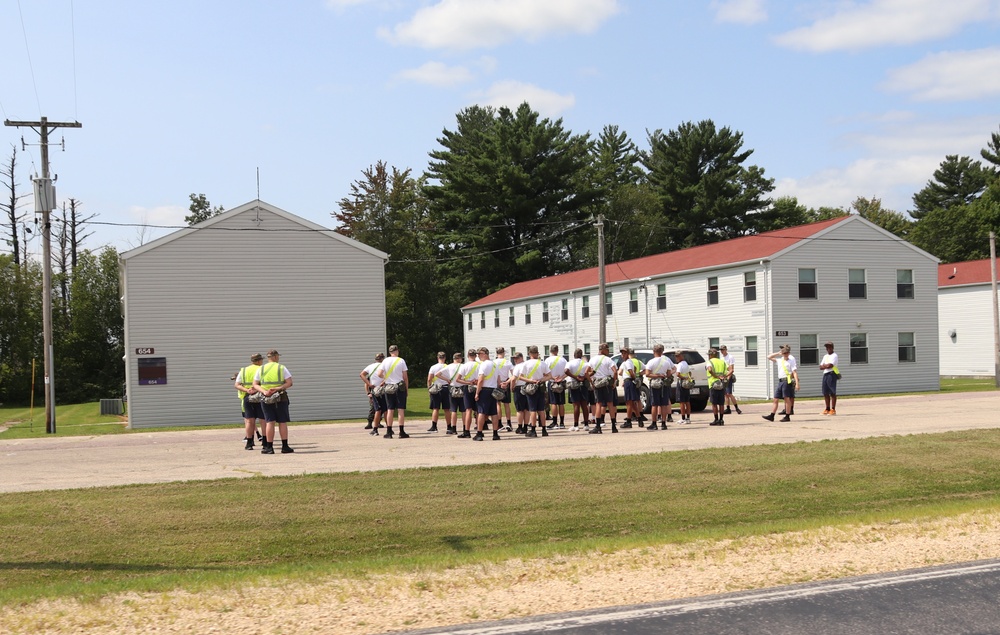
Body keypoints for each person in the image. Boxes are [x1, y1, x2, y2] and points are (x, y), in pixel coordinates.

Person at [252, 349, 294, 454]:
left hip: (266, 398)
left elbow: (255, 384)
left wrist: (265, 392)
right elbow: (289, 383)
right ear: (275, 357)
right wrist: (278, 388)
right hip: (280, 397)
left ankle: (269, 447)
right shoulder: (281, 367)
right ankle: (285, 446)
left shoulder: (261, 369)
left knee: (269, 422)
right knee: (282, 422)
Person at [518, 345, 552, 437]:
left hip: (531, 387)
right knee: (541, 409)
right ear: (537, 353)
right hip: (540, 387)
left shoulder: (526, 364)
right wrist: (541, 380)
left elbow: (520, 376)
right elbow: (549, 376)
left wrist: (531, 380)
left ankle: (533, 429)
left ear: (529, 353)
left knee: (532, 409)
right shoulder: (542, 363)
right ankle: (544, 430)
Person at [376, 344, 409, 438]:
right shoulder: (401, 360)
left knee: (390, 409)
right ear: (397, 351)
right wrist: (406, 389)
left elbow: (379, 374)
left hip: (389, 387)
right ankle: (401, 432)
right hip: (399, 387)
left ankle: (389, 431)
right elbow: (405, 377)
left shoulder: (385, 361)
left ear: (390, 352)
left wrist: (385, 378)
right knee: (400, 410)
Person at [585, 343, 618, 434]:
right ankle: (613, 426)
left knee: (598, 404)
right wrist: (614, 382)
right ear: (603, 350)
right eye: (607, 349)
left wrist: (591, 382)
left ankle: (598, 426)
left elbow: (586, 372)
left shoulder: (593, 359)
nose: (608, 351)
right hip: (607, 383)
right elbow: (615, 371)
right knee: (610, 404)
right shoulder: (608, 360)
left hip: (597, 383)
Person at [234, 352, 265, 450]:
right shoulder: (262, 369)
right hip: (260, 396)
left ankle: (249, 443)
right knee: (263, 420)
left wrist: (247, 390)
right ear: (259, 360)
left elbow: (237, 384)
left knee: (249, 421)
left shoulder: (243, 370)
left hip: (247, 396)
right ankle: (265, 442)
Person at [762, 345, 798, 423]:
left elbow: (794, 373)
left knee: (786, 398)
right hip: (780, 381)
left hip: (786, 381)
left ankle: (787, 415)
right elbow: (769, 357)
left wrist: (797, 384)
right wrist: (778, 353)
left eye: (786, 353)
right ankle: (772, 415)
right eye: (784, 353)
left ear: (789, 353)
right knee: (775, 399)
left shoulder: (791, 361)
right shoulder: (779, 360)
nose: (785, 354)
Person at [473, 347, 501, 441]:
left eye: (480, 354)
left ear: (485, 354)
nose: (478, 356)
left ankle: (479, 433)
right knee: (493, 412)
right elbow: (498, 379)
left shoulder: (484, 365)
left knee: (481, 411)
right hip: (493, 389)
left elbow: (481, 380)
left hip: (484, 390)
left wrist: (477, 392)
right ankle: (495, 433)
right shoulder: (494, 364)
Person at [644, 344, 674, 430]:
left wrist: (656, 375)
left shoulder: (651, 362)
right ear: (662, 352)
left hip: (654, 384)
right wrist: (662, 375)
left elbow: (647, 374)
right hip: (664, 384)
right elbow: (669, 374)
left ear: (654, 352)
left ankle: (654, 423)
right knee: (664, 404)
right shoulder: (666, 362)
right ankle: (664, 424)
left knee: (655, 404)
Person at [455, 349, 481, 438]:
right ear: (476, 356)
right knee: (478, 410)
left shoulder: (464, 366)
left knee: (468, 410)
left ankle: (467, 431)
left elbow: (458, 379)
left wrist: (468, 382)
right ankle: (479, 429)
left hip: (468, 387)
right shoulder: (480, 365)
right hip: (477, 387)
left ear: (467, 355)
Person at [565, 348, 590, 431]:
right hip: (583, 384)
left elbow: (566, 371)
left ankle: (576, 425)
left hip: (574, 384)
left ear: (574, 355)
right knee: (584, 405)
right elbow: (592, 371)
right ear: (581, 355)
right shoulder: (586, 363)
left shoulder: (570, 363)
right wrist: (583, 377)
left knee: (576, 405)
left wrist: (575, 377)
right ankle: (586, 424)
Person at [427, 351, 452, 433]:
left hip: (436, 388)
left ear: (438, 357)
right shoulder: (448, 367)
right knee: (447, 409)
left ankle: (434, 426)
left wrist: (429, 388)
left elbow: (429, 379)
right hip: (445, 388)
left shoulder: (433, 367)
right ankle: (449, 427)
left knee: (435, 408)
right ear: (445, 358)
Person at [619, 348, 643, 428]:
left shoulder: (628, 362)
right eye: (622, 353)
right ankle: (639, 419)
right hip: (628, 381)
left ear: (628, 354)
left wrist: (633, 378)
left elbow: (631, 372)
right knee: (632, 403)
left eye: (624, 353)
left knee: (629, 403)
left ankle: (629, 421)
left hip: (629, 382)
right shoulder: (627, 362)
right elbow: (634, 369)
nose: (623, 355)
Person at [441, 352, 465, 435]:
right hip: (462, 388)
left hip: (452, 389)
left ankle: (454, 428)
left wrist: (447, 379)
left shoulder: (449, 366)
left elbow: (437, 374)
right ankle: (465, 427)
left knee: (453, 410)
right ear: (460, 359)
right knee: (463, 410)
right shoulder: (463, 366)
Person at [545, 345, 567, 429]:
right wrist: (561, 378)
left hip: (552, 382)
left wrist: (552, 378)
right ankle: (562, 422)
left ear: (550, 351)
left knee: (553, 403)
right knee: (561, 403)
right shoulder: (563, 360)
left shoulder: (548, 360)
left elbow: (545, 372)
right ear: (557, 350)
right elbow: (567, 371)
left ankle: (554, 422)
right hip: (561, 382)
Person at [360, 353, 385, 432]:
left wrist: (369, 387)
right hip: (381, 390)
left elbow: (362, 376)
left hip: (374, 391)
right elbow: (365, 382)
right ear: (382, 358)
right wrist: (368, 392)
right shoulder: (383, 367)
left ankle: (377, 424)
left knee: (378, 409)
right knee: (377, 409)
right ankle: (371, 422)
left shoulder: (370, 367)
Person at [494, 347, 514, 432]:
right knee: (506, 404)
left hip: (497, 383)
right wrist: (508, 382)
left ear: (496, 353)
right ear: (504, 353)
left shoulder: (494, 362)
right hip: (506, 382)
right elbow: (513, 374)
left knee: (498, 404)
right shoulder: (507, 362)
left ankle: (499, 423)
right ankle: (509, 422)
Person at [508, 352, 529, 433]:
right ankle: (526, 427)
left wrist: (511, 387)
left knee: (520, 409)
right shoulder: (527, 365)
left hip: (519, 388)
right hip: (527, 387)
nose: (515, 360)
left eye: (517, 358)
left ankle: (520, 427)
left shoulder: (517, 366)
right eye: (514, 358)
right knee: (527, 409)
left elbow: (513, 379)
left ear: (521, 357)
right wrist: (507, 382)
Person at [706, 348, 728, 425]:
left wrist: (716, 376)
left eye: (709, 355)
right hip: (721, 384)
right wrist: (722, 377)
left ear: (711, 355)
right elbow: (726, 372)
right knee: (721, 403)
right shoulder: (722, 362)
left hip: (713, 384)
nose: (708, 356)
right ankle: (721, 420)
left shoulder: (709, 362)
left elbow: (709, 369)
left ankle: (716, 419)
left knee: (714, 403)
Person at [720, 345, 742, 415]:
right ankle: (728, 408)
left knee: (729, 393)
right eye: (721, 350)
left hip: (728, 377)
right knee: (726, 394)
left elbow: (732, 369)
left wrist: (728, 378)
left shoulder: (730, 357)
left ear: (726, 350)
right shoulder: (721, 358)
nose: (722, 351)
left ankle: (737, 408)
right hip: (723, 377)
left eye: (723, 350)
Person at [819, 341, 839, 415]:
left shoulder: (834, 355)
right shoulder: (825, 356)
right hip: (825, 374)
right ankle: (827, 408)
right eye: (827, 347)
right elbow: (820, 367)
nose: (828, 348)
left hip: (832, 374)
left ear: (832, 347)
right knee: (825, 392)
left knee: (832, 392)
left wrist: (825, 365)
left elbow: (830, 365)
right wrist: (824, 366)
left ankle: (833, 409)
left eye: (829, 347)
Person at [674, 350, 692, 425]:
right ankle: (688, 418)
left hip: (681, 383)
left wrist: (683, 378)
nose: (676, 358)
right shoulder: (686, 363)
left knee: (682, 402)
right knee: (687, 401)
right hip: (686, 384)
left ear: (681, 356)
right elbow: (689, 373)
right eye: (676, 356)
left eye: (678, 356)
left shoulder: (680, 364)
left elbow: (677, 374)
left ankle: (683, 418)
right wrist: (687, 378)